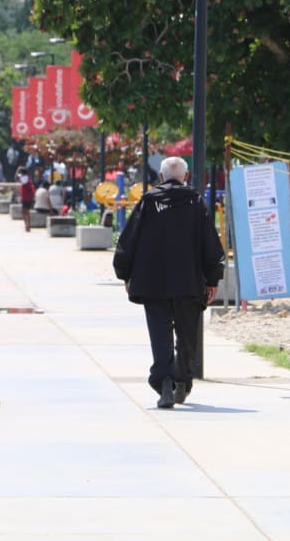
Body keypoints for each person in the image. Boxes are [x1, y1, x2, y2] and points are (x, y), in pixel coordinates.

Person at [113, 156, 225, 409]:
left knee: (159, 333)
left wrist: (125, 273)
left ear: (161, 177)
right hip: (188, 280)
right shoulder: (196, 203)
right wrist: (212, 278)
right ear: (185, 177)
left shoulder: (148, 202)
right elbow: (210, 242)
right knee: (187, 335)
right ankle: (183, 380)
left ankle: (164, 381)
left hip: (153, 282)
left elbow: (128, 239)